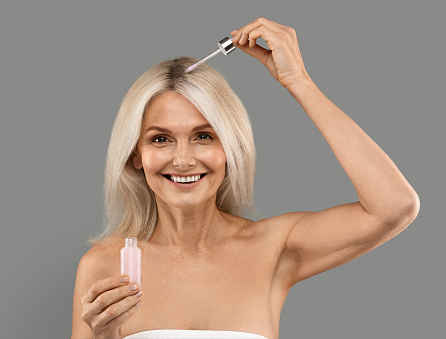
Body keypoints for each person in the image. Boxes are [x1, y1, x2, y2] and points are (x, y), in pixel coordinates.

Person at [71, 17, 420, 339]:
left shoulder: (273, 248)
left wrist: (298, 81)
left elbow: (394, 206)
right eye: (160, 139)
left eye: (204, 136)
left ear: (230, 148)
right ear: (136, 155)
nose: (183, 159)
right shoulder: (105, 265)